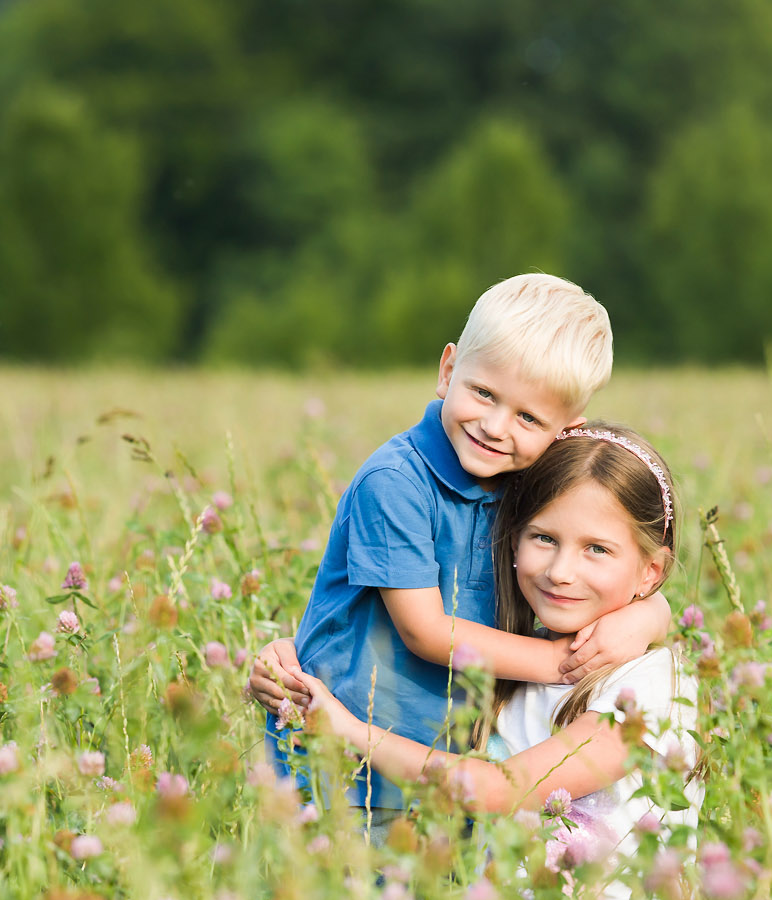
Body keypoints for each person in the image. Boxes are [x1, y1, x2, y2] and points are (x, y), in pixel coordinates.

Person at [257, 275, 672, 838]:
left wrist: (652, 613)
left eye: (529, 419)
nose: (495, 427)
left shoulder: (526, 491)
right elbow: (425, 631)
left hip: (453, 770)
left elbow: (607, 568)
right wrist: (559, 663)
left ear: (564, 432)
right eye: (483, 394)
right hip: (343, 768)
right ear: (448, 369)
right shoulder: (396, 482)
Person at [251, 423, 697, 900]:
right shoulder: (525, 654)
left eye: (597, 549)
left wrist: (347, 730)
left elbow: (496, 790)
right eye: (544, 538)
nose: (560, 571)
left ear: (651, 571)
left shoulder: (649, 687)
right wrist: (290, 660)